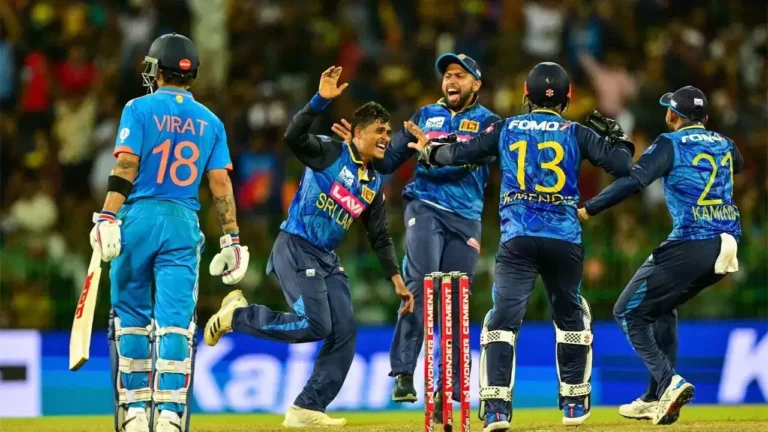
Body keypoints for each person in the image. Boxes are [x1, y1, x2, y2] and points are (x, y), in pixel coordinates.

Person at [407, 62, 635, 431]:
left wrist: (429, 151)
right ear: (567, 99)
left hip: (518, 239)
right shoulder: (576, 132)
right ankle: (574, 403)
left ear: (526, 96)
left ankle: (497, 408)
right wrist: (618, 137)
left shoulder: (506, 127)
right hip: (564, 239)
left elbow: (458, 154)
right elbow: (623, 166)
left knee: (502, 320)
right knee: (570, 316)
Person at [204, 66, 415, 428]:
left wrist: (396, 278)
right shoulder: (330, 152)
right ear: (359, 133)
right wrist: (320, 100)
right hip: (296, 246)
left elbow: (379, 236)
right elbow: (293, 136)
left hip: (326, 258)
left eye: (388, 131)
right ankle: (236, 317)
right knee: (314, 325)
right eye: (379, 131)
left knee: (345, 331)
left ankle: (307, 407)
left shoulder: (372, 183)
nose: (385, 137)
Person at [92, 33, 248, 432]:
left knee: (131, 317)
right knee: (176, 321)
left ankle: (134, 414)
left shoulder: (138, 108)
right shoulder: (211, 121)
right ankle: (169, 415)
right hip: (183, 223)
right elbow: (220, 184)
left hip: (137, 218)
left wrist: (107, 216)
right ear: (192, 75)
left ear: (158, 71)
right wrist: (231, 238)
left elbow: (126, 167)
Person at [333, 53, 500, 413]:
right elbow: (389, 161)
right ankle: (404, 373)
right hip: (425, 207)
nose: (451, 80)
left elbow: (467, 156)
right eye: (447, 75)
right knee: (422, 284)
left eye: (460, 75)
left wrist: (432, 150)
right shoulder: (425, 116)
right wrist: (359, 148)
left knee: (456, 300)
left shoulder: (490, 123)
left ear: (476, 84)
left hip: (466, 218)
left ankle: (447, 388)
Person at [578, 86, 742, 425]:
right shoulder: (725, 143)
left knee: (627, 312)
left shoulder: (670, 143)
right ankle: (654, 398)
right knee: (663, 308)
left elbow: (635, 181)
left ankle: (669, 382)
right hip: (728, 244)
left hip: (691, 242)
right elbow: (736, 165)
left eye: (669, 108)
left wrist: (590, 208)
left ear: (673, 115)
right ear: (705, 118)